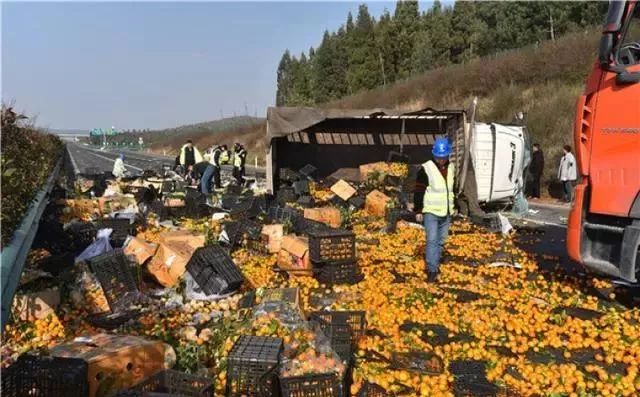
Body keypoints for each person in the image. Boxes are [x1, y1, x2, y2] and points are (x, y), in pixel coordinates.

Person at [413, 137, 455, 283]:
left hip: (446, 212)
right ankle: (432, 270)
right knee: (431, 240)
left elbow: (451, 190)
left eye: (443, 157)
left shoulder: (451, 168)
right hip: (431, 211)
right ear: (434, 154)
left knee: (441, 241)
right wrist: (418, 211)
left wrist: (453, 207)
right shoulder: (426, 169)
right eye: (439, 156)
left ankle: (435, 261)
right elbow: (418, 191)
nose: (441, 159)